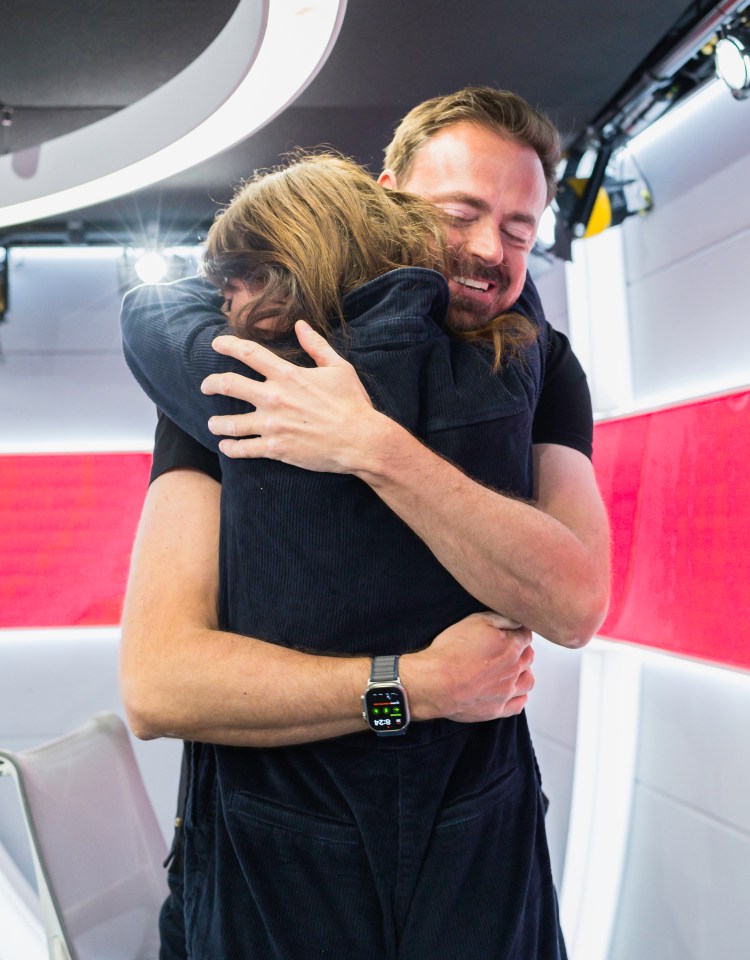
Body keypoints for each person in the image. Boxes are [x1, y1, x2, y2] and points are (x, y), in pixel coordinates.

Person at [120, 87, 610, 959]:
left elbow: (574, 604)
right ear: (386, 196)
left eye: (521, 229)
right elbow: (161, 685)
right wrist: (412, 686)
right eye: (460, 212)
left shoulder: (541, 366)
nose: (490, 250)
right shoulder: (250, 373)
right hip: (267, 868)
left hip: (482, 863)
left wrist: (373, 446)